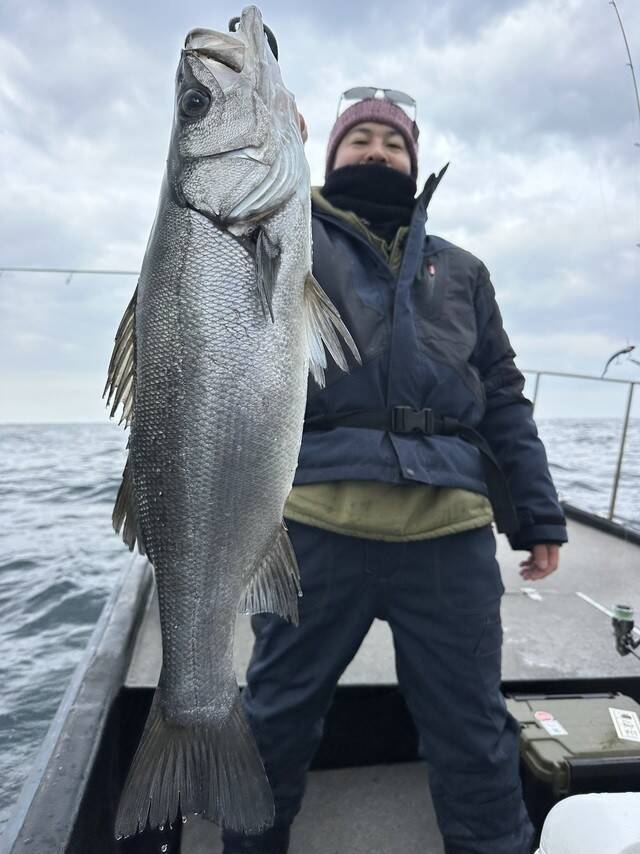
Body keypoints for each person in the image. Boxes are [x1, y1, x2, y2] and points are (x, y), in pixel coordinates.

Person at [222, 88, 567, 854]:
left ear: (414, 163)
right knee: (275, 716)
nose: (377, 152)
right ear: (328, 153)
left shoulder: (465, 272)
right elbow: (219, 228)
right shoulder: (286, 236)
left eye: (394, 143)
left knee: (473, 727)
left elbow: (503, 398)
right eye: (360, 139)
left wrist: (537, 515)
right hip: (312, 529)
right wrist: (256, 146)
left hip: (449, 535)